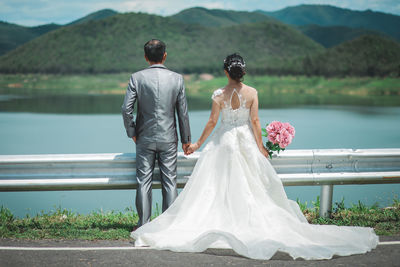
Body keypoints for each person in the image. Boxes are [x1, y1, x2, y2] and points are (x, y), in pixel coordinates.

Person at [131, 53, 378, 260]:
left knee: (215, 185)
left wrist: (196, 144)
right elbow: (255, 121)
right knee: (251, 186)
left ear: (226, 72)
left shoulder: (218, 94)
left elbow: (213, 122)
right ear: (243, 73)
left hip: (224, 142)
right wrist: (261, 147)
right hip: (246, 142)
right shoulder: (252, 93)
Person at [122, 39, 191, 228]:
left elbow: (126, 109)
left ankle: (144, 223)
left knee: (143, 181)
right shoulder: (177, 79)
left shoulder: (136, 78)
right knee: (170, 181)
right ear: (165, 55)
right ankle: (168, 226)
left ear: (146, 57)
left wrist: (132, 132)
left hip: (144, 137)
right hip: (169, 138)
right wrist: (186, 140)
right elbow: (182, 113)